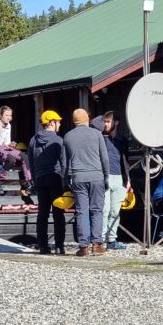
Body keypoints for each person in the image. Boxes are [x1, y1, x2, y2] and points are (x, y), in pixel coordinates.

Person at [61, 108, 110, 257]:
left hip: (78, 177)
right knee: (97, 210)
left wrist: (66, 181)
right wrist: (106, 177)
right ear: (87, 119)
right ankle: (96, 245)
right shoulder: (97, 134)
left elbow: (64, 163)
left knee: (82, 211)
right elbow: (104, 158)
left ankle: (83, 247)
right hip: (96, 177)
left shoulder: (68, 136)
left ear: (74, 121)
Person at [91, 111, 131, 250]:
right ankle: (100, 239)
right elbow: (93, 122)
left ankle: (112, 239)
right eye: (104, 122)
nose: (105, 124)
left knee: (115, 211)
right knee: (105, 210)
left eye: (108, 122)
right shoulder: (99, 138)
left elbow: (125, 161)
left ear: (116, 123)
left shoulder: (122, 140)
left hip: (119, 178)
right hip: (104, 178)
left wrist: (128, 179)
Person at [29, 110, 65, 255]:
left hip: (40, 178)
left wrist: (34, 178)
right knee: (58, 213)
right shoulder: (58, 140)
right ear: (51, 123)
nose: (60, 124)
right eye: (58, 122)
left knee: (42, 213)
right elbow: (63, 162)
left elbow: (31, 163)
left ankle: (43, 246)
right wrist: (65, 180)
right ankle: (59, 246)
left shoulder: (33, 140)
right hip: (55, 178)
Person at [0, 105, 33, 196]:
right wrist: (0, 129)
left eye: (10, 115)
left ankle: (28, 182)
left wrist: (11, 144)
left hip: (3, 147)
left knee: (24, 157)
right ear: (1, 115)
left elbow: (6, 142)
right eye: (7, 115)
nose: (9, 117)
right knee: (11, 159)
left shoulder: (8, 125)